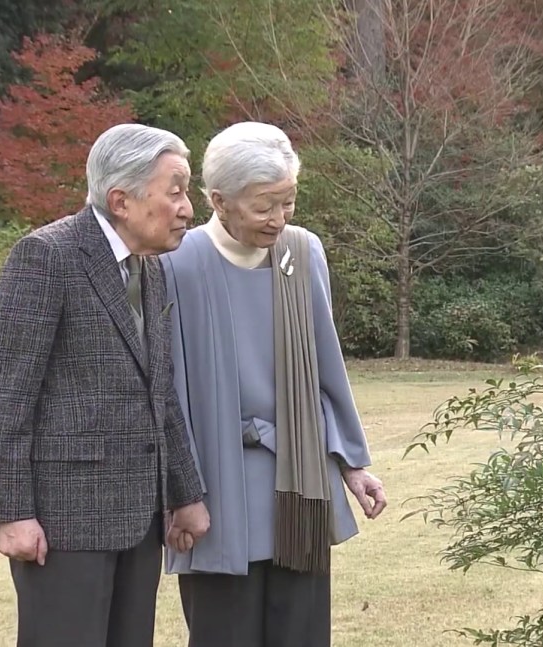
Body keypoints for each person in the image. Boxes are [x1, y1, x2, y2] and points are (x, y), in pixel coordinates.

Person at [0, 123, 211, 647]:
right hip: (63, 525)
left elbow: (160, 389)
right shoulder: (46, 257)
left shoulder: (149, 269)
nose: (188, 207)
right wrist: (12, 513)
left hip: (139, 517)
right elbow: (7, 398)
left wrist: (185, 493)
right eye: (174, 191)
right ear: (121, 200)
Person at [160, 121, 388, 647]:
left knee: (302, 634)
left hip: (299, 476)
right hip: (213, 483)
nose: (280, 218)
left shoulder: (302, 253)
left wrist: (352, 464)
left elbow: (326, 366)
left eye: (288, 202)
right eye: (265, 205)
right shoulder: (177, 263)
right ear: (219, 200)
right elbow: (164, 390)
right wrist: (178, 494)